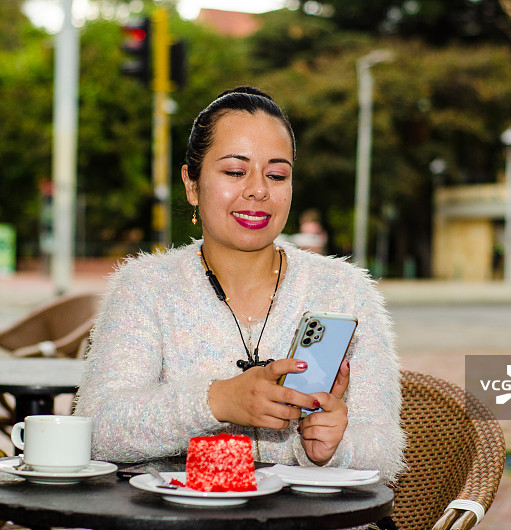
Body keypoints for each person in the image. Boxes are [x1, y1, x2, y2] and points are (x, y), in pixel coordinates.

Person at [74, 87, 404, 487]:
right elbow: (97, 432)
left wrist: (332, 446)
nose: (258, 190)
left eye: (277, 174)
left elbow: (386, 453)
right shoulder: (145, 288)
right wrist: (217, 401)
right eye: (234, 171)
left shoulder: (345, 291)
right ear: (192, 184)